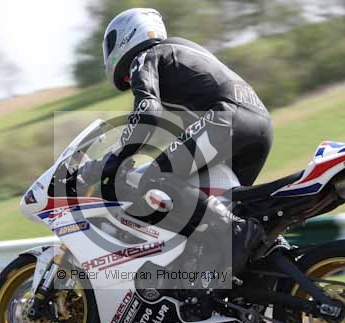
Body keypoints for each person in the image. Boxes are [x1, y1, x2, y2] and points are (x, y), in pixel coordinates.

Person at [83, 8, 272, 273]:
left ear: (127, 36)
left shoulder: (144, 57)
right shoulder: (176, 52)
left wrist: (115, 159)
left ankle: (238, 229)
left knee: (155, 177)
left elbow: (147, 112)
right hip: (258, 124)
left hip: (228, 119)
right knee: (227, 202)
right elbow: (175, 135)